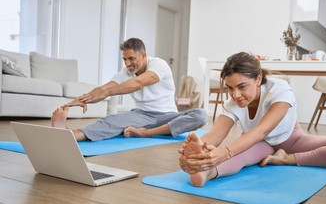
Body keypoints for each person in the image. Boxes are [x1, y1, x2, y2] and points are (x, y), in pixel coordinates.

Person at [179, 52, 326, 187]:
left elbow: (262, 130)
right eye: (230, 88)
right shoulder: (233, 103)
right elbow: (215, 135)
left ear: (259, 78)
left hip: (292, 140)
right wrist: (196, 154)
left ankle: (286, 159)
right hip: (259, 144)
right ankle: (207, 173)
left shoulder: (280, 89)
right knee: (241, 156)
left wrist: (225, 152)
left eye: (242, 86)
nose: (235, 95)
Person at [51, 38, 208, 141]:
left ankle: (145, 133)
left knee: (200, 115)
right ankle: (66, 135)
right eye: (125, 59)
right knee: (110, 121)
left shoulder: (159, 65)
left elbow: (138, 83)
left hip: (168, 117)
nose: (127, 63)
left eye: (131, 58)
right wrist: (82, 99)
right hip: (140, 116)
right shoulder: (126, 71)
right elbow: (106, 87)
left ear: (143, 55)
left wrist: (108, 92)